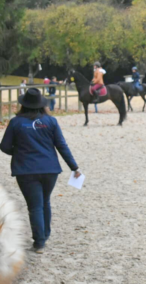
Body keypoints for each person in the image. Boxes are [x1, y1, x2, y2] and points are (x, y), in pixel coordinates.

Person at [0, 88, 81, 254]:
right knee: (45, 201)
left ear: (23, 105)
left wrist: (19, 151)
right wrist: (74, 167)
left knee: (35, 206)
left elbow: (5, 146)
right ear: (41, 105)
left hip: (25, 169)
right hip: (50, 169)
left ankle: (39, 242)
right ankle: (44, 234)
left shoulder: (16, 122)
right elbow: (61, 145)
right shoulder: (50, 122)